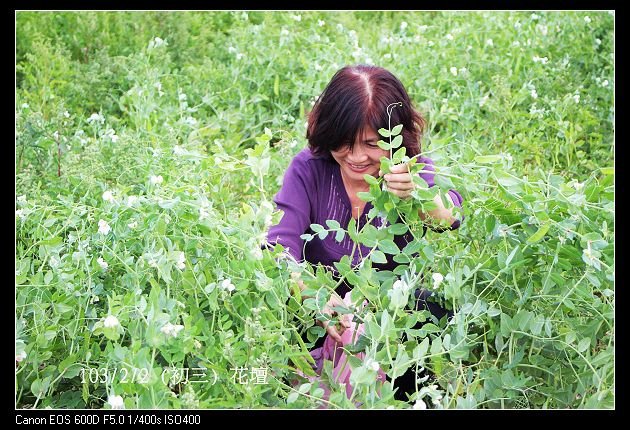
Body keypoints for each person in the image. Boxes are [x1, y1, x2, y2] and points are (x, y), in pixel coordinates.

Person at [266, 64, 463, 403]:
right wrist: (319, 298)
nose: (356, 157)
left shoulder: (410, 168)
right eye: (343, 142)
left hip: (388, 319)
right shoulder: (309, 167)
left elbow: (452, 214)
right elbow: (278, 248)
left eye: (372, 144)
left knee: (443, 310)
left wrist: (417, 195)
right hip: (316, 318)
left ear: (396, 138)